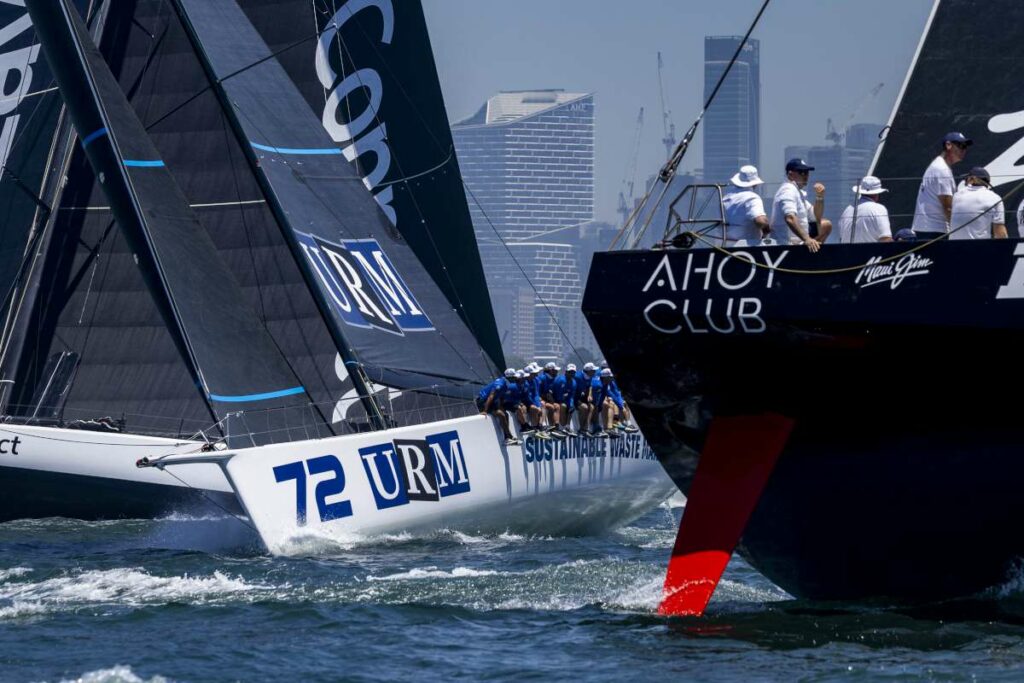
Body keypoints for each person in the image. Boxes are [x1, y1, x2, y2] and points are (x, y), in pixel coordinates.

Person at [912, 131, 971, 240]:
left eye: (966, 146)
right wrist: (958, 233)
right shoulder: (941, 169)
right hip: (934, 231)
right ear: (948, 145)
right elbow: (948, 206)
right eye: (961, 145)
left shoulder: (939, 165)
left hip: (927, 228)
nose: (964, 149)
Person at [771, 158, 829, 252]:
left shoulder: (798, 192)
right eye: (801, 172)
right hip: (786, 245)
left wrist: (819, 197)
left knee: (826, 225)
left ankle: (814, 250)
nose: (805, 176)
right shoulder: (788, 190)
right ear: (790, 174)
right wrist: (807, 239)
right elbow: (790, 218)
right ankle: (812, 251)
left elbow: (816, 216)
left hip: (799, 243)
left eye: (807, 172)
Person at [949, 167, 1007, 240]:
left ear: (971, 179)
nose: (965, 182)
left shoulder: (956, 196)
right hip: (979, 248)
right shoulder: (995, 198)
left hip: (953, 248)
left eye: (966, 179)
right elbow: (1000, 233)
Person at [722, 165, 770, 245]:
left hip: (725, 244)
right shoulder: (752, 197)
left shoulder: (726, 197)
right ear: (755, 184)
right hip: (747, 247)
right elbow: (760, 221)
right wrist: (767, 229)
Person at [838, 176, 893, 243]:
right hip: (871, 252)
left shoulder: (847, 209)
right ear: (877, 193)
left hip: (846, 252)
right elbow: (886, 239)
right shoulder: (879, 208)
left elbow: (841, 238)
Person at [477, 368, 518, 444]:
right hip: (484, 401)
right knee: (501, 414)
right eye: (514, 377)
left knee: (505, 414)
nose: (515, 379)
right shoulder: (500, 384)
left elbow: (500, 397)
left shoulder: (506, 384)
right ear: (510, 377)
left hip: (493, 402)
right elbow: (491, 396)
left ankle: (507, 437)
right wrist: (485, 411)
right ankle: (509, 436)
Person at [552, 364, 579, 436]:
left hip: (565, 400)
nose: (571, 374)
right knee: (563, 406)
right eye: (570, 372)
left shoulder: (574, 382)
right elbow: (557, 396)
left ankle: (567, 426)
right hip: (555, 399)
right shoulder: (560, 380)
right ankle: (563, 426)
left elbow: (571, 396)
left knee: (571, 407)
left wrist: (571, 404)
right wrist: (563, 397)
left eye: (573, 372)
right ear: (566, 372)